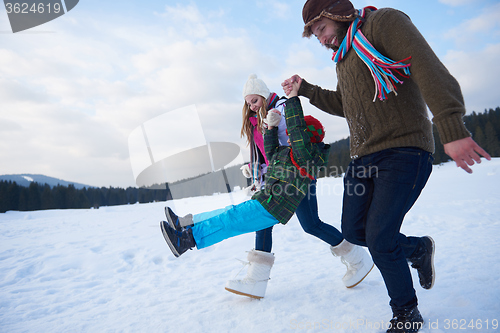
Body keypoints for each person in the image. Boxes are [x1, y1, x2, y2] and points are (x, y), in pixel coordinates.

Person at [281, 1, 491, 332]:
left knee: (379, 237)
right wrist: (305, 89)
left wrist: (451, 126)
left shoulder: (383, 25)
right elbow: (346, 104)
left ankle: (406, 313)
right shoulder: (346, 57)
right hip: (363, 157)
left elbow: (426, 67)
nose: (320, 39)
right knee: (354, 231)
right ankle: (417, 249)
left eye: (320, 29)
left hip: (404, 151)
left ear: (337, 13)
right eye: (315, 34)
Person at [160, 80, 372, 300]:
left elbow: (297, 127)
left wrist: (292, 99)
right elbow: (270, 152)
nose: (290, 135)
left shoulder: (302, 152)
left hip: (276, 200)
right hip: (272, 196)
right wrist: (270, 128)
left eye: (295, 135)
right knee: (309, 225)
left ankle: (189, 238)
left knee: (234, 218)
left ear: (305, 139)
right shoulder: (286, 152)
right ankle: (256, 279)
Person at [220, 74, 373, 299]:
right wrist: (257, 169)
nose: (252, 107)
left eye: (255, 100)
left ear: (263, 95)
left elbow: (295, 135)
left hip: (298, 175)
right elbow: (269, 155)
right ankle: (257, 280)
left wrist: (286, 107)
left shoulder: (280, 108)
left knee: (309, 224)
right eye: (248, 103)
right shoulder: (257, 122)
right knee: (295, 223)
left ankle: (358, 260)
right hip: (280, 178)